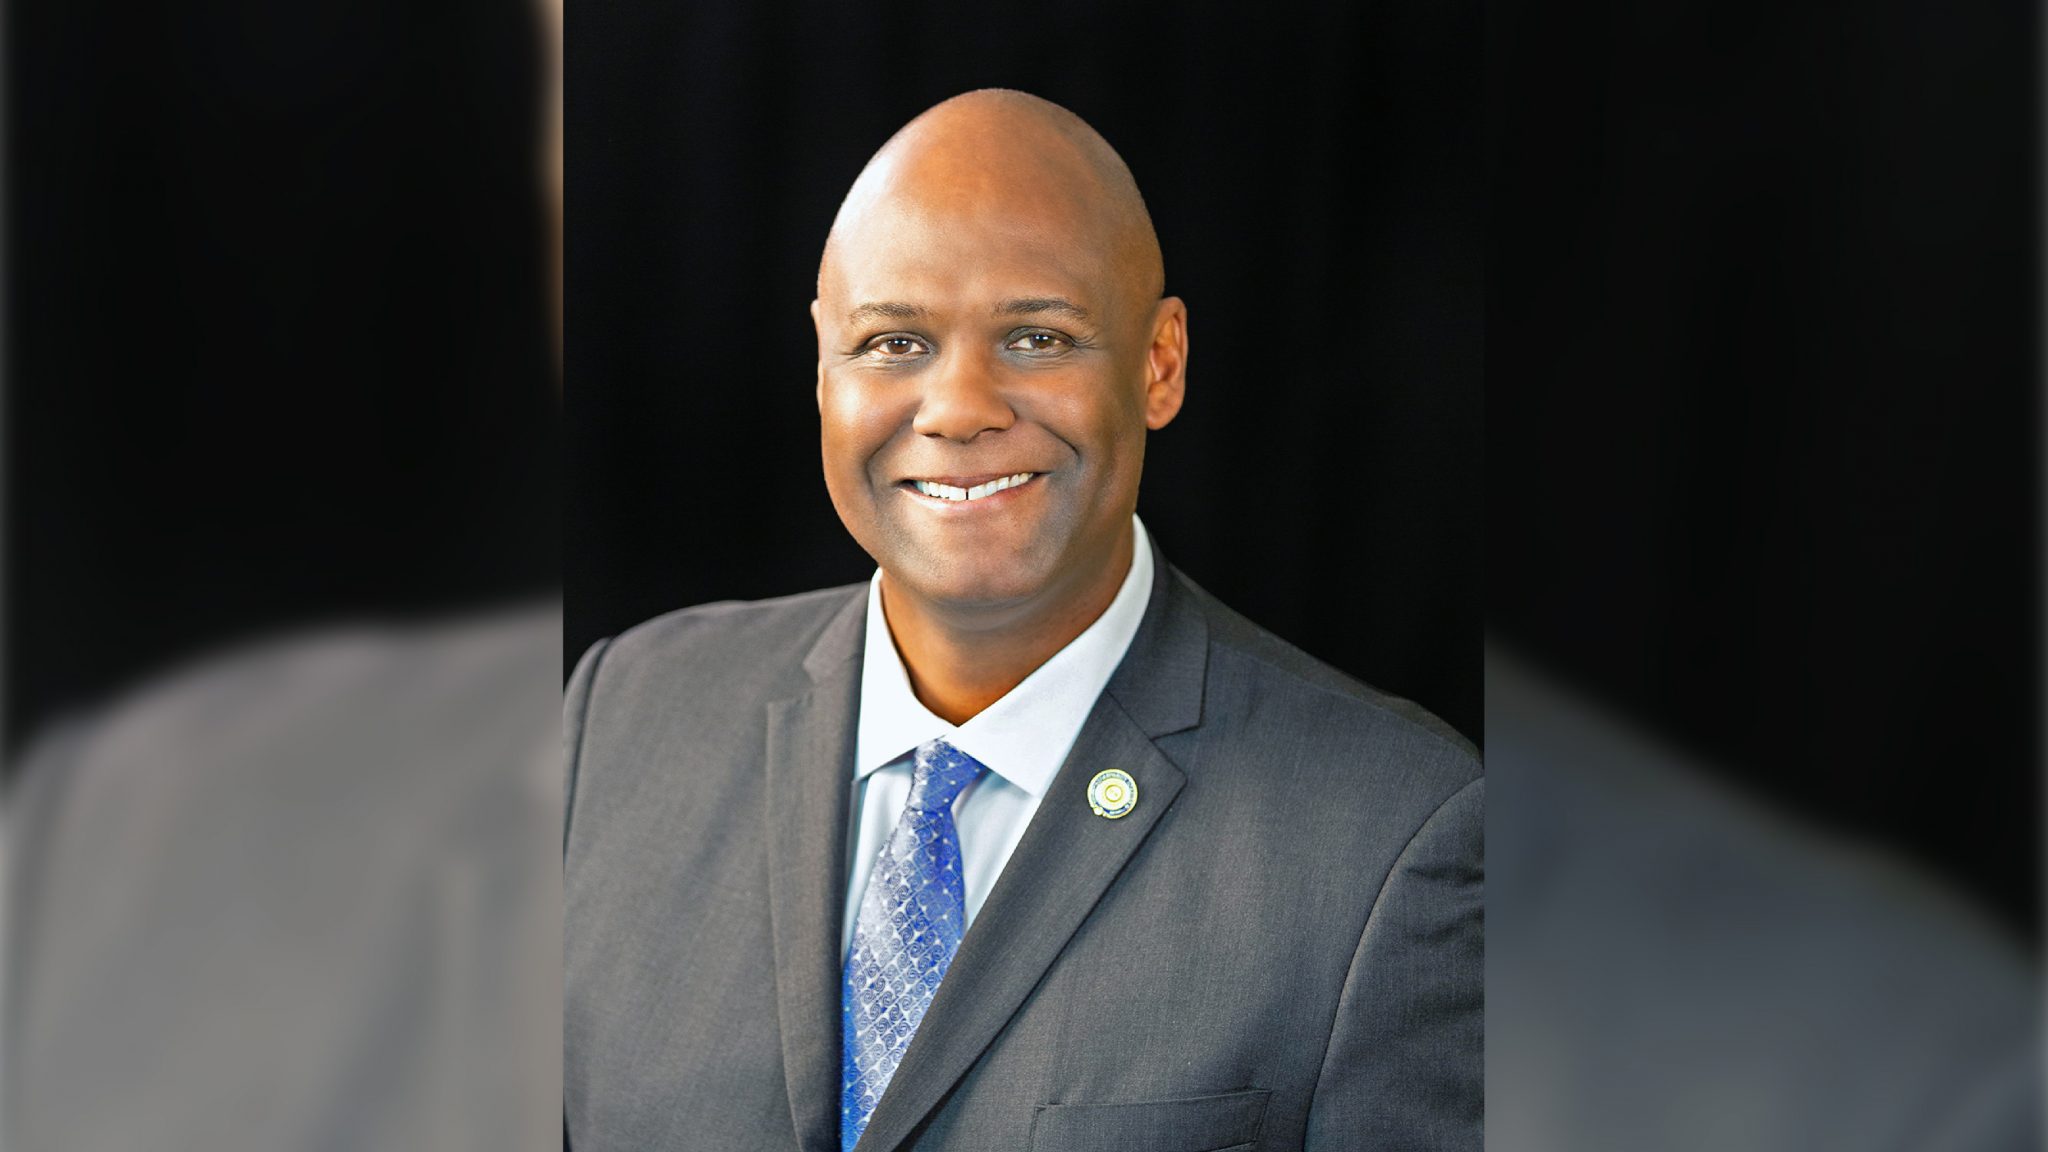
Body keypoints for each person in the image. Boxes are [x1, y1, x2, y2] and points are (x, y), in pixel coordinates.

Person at [563, 89, 1481, 1152]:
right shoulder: (616, 722)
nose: (958, 407)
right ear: (822, 366)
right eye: (894, 341)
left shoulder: (1394, 840)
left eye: (1037, 336)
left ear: (1158, 363)